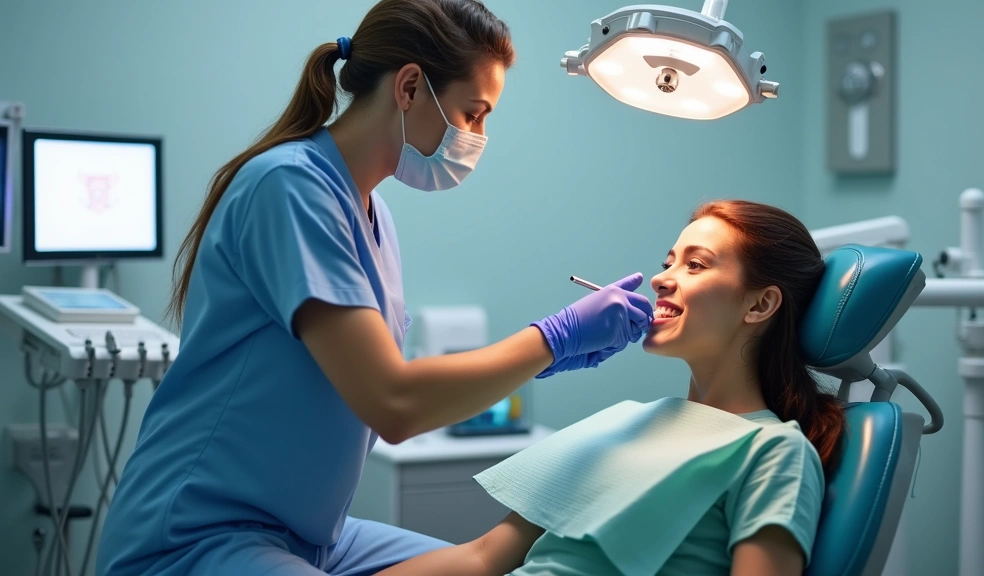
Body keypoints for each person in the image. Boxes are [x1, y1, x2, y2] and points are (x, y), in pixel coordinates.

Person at [95, 1, 654, 575]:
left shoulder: (374, 215)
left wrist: (536, 364)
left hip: (313, 535)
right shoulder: (289, 187)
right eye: (474, 113)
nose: (478, 137)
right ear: (410, 87)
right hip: (197, 536)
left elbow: (384, 387)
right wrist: (554, 339)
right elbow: (393, 403)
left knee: (494, 564)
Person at [375, 200, 847, 576]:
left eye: (695, 266)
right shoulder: (627, 420)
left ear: (760, 304)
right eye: (668, 262)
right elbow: (481, 558)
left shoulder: (773, 452)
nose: (662, 279)